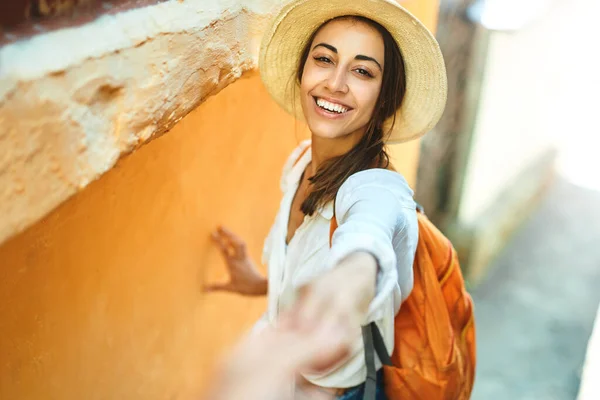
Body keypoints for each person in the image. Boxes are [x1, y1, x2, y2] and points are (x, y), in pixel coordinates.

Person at [206, 0, 447, 398]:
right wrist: (260, 283)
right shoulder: (300, 163)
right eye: (324, 59)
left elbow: (364, 246)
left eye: (362, 71)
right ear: (302, 71)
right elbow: (309, 268)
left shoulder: (378, 191)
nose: (335, 83)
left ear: (384, 98)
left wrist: (343, 292)